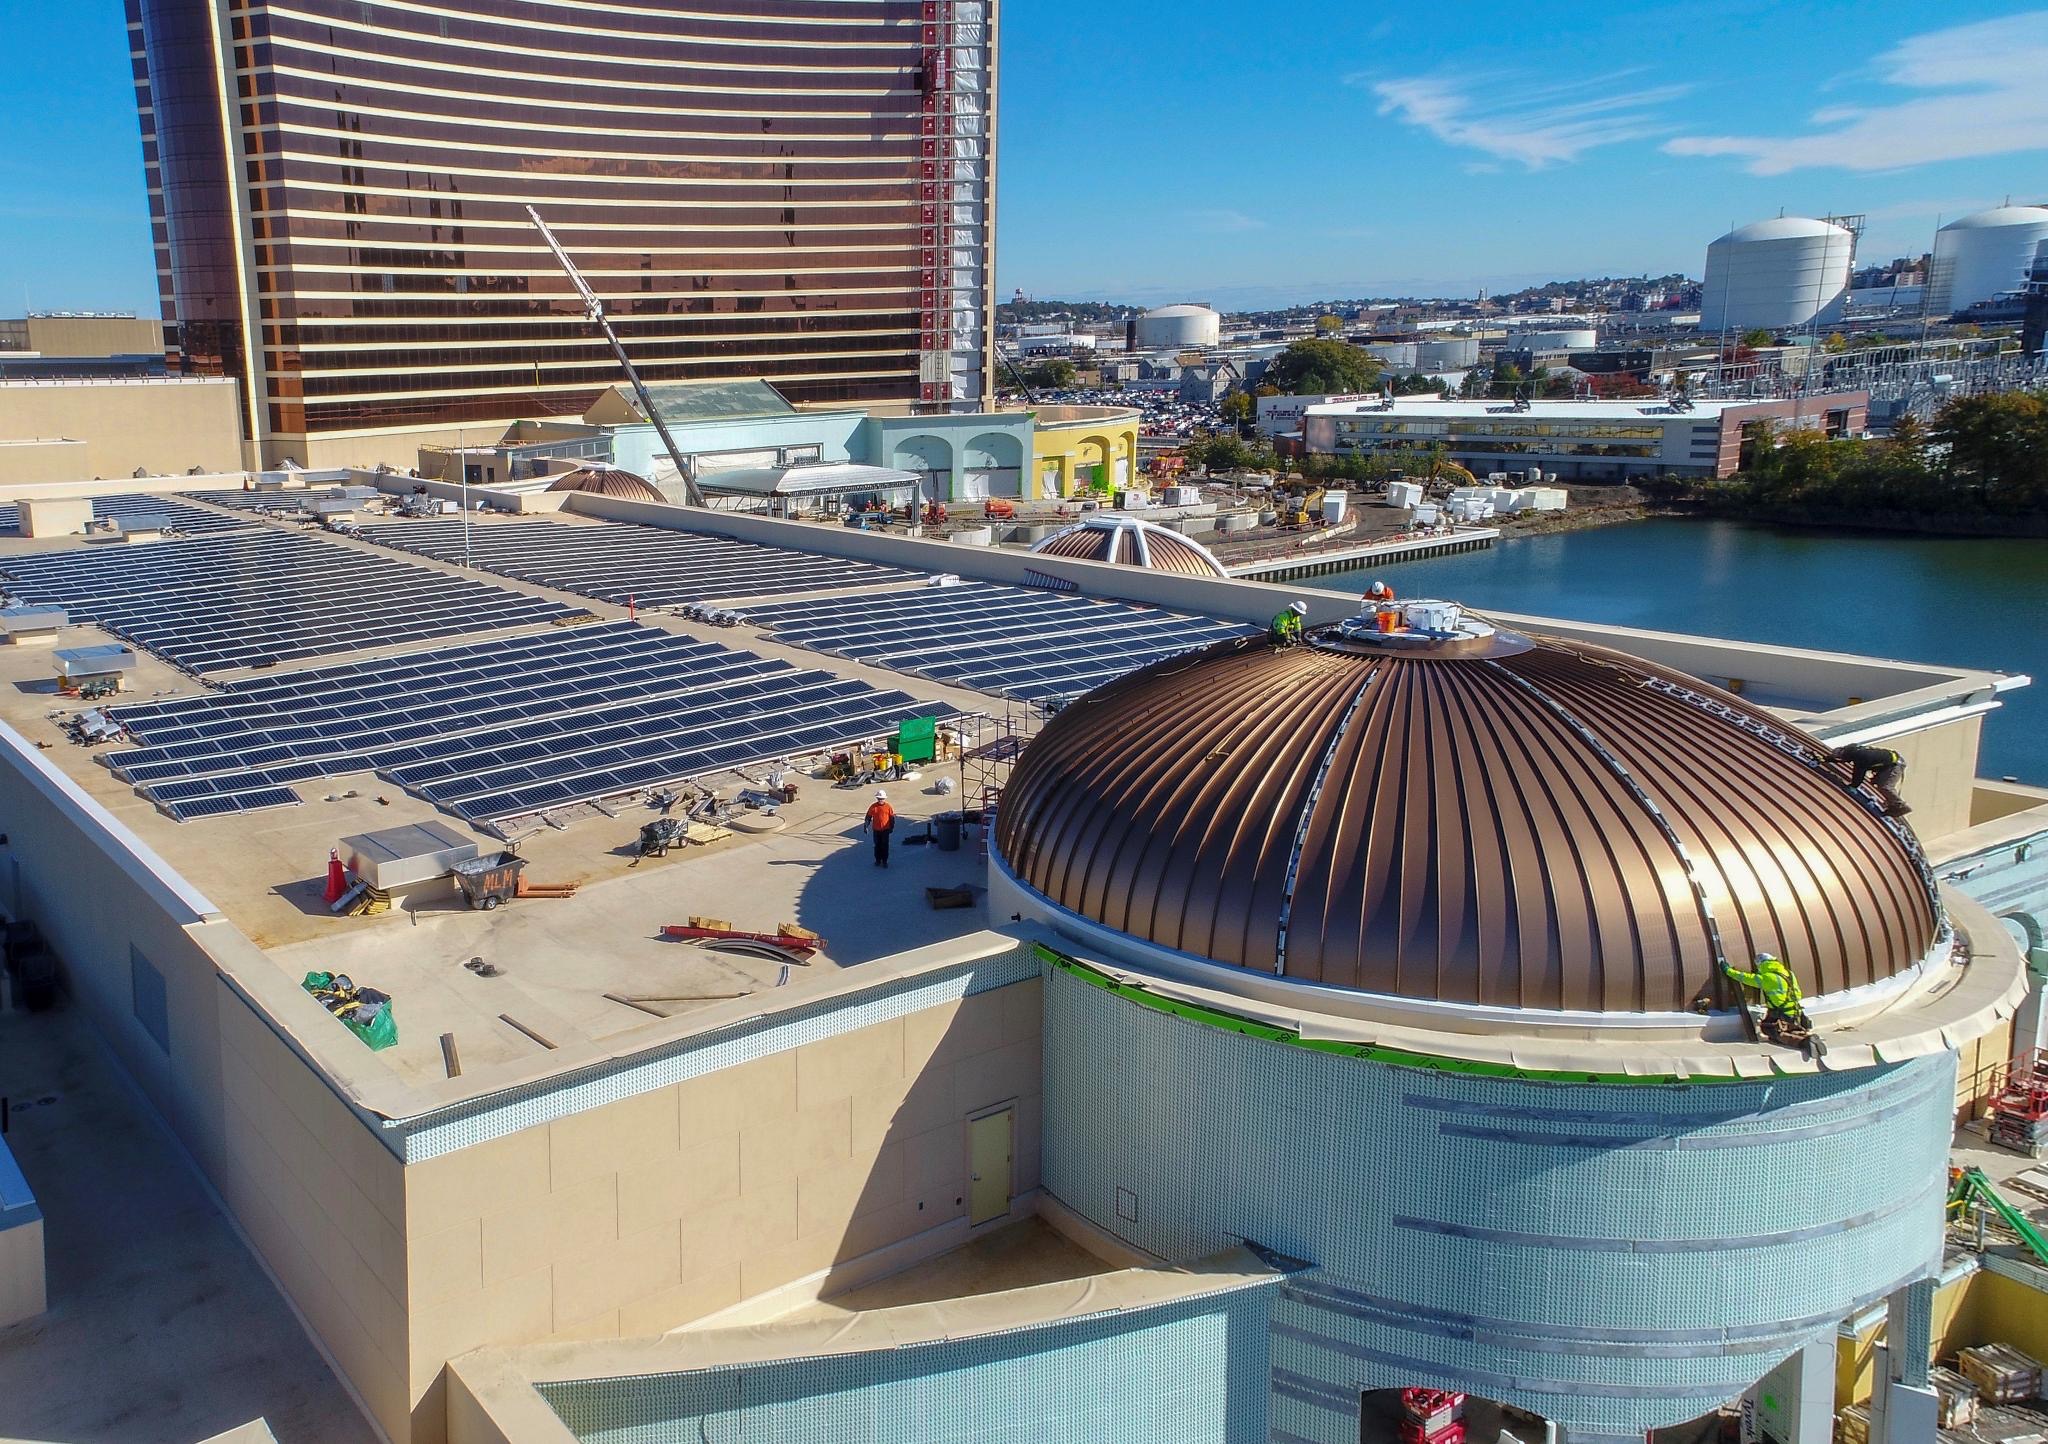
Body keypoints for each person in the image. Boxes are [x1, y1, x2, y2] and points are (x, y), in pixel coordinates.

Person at [1722, 952, 1812, 1041]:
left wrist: (1728, 970)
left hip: (1782, 1014)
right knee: (1788, 1026)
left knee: (1766, 1028)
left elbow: (1745, 978)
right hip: (1797, 1011)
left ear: (1761, 965)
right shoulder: (1789, 973)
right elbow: (1797, 993)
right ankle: (1802, 1031)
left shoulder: (1767, 978)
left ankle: (1800, 1041)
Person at [1830, 743, 1910, 816]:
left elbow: (1859, 774)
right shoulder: (1853, 750)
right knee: (1877, 782)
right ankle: (1891, 803)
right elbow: (1846, 759)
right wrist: (1828, 759)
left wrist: (1853, 786)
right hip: (1888, 763)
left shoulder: (1861, 757)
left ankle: (1900, 806)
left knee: (1885, 786)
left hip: (1895, 765)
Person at [864, 789, 896, 867]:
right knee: (877, 845)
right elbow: (868, 817)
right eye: (879, 798)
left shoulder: (888, 807)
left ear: (884, 799)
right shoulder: (873, 807)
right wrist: (866, 826)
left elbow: (891, 818)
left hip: (885, 830)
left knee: (885, 845)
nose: (880, 800)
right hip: (876, 830)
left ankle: (885, 861)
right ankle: (878, 860)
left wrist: (891, 827)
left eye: (881, 799)